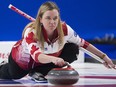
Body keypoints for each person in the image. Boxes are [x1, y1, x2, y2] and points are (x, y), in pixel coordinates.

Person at [0, 1, 115, 82]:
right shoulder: (31, 32)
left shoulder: (65, 29)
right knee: (14, 75)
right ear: (40, 19)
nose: (52, 22)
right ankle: (4, 65)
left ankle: (38, 72)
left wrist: (104, 57)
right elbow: (36, 56)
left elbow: (83, 44)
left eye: (55, 18)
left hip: (44, 62)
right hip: (22, 61)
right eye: (48, 18)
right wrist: (54, 59)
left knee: (73, 50)